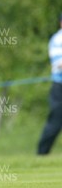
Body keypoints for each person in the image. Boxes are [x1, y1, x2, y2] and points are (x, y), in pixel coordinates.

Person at [37, 14, 62, 155]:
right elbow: (59, 64)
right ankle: (41, 154)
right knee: (55, 122)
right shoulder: (58, 40)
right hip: (60, 87)